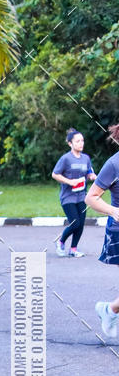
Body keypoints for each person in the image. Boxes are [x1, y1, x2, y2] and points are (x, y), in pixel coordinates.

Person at [86, 123, 119, 338]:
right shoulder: (113, 164)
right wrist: (113, 211)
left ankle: (109, 310)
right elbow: (91, 197)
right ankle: (109, 310)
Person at [52, 128, 96, 257]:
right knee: (74, 222)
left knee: (81, 224)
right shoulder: (65, 159)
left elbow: (89, 172)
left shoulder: (86, 158)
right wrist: (69, 182)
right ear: (70, 143)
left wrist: (92, 176)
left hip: (82, 196)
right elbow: (55, 174)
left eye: (82, 141)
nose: (81, 143)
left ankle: (73, 249)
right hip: (68, 197)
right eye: (77, 141)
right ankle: (60, 242)